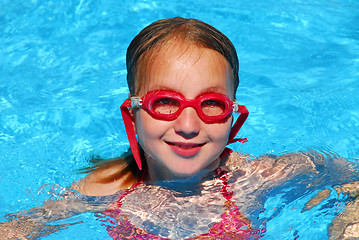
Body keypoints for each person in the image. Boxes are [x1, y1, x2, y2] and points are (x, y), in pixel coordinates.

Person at [1, 17, 358, 239]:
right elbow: (23, 226)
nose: (189, 125)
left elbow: (344, 173)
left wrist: (350, 215)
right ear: (133, 113)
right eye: (166, 102)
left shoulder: (259, 176)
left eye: (211, 105)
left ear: (233, 116)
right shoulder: (105, 186)